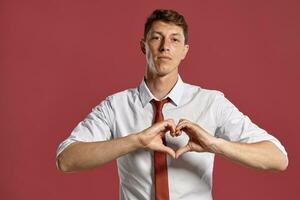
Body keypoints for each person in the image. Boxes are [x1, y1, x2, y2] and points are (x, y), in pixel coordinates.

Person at [56, 9, 288, 200]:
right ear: (143, 46)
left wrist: (214, 144)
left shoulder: (211, 102)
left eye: (175, 39)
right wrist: (136, 141)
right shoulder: (115, 106)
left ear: (185, 51)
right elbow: (66, 160)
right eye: (156, 38)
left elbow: (278, 158)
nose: (165, 46)